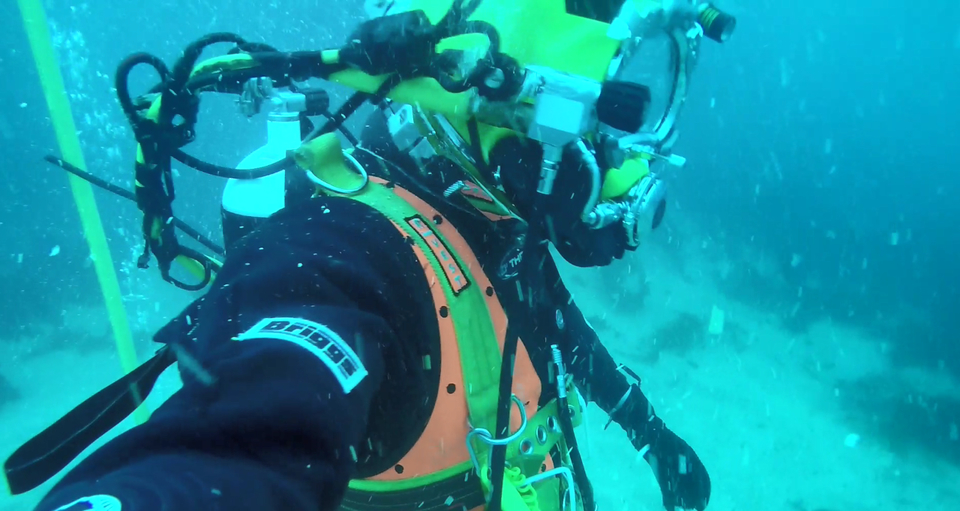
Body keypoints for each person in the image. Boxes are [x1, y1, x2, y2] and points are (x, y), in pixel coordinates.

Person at [7, 1, 736, 510]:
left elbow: (551, 318)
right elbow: (238, 440)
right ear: (513, 108)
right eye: (600, 126)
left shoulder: (486, 214)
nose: (625, 169)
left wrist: (652, 435)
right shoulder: (343, 250)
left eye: (633, 130)